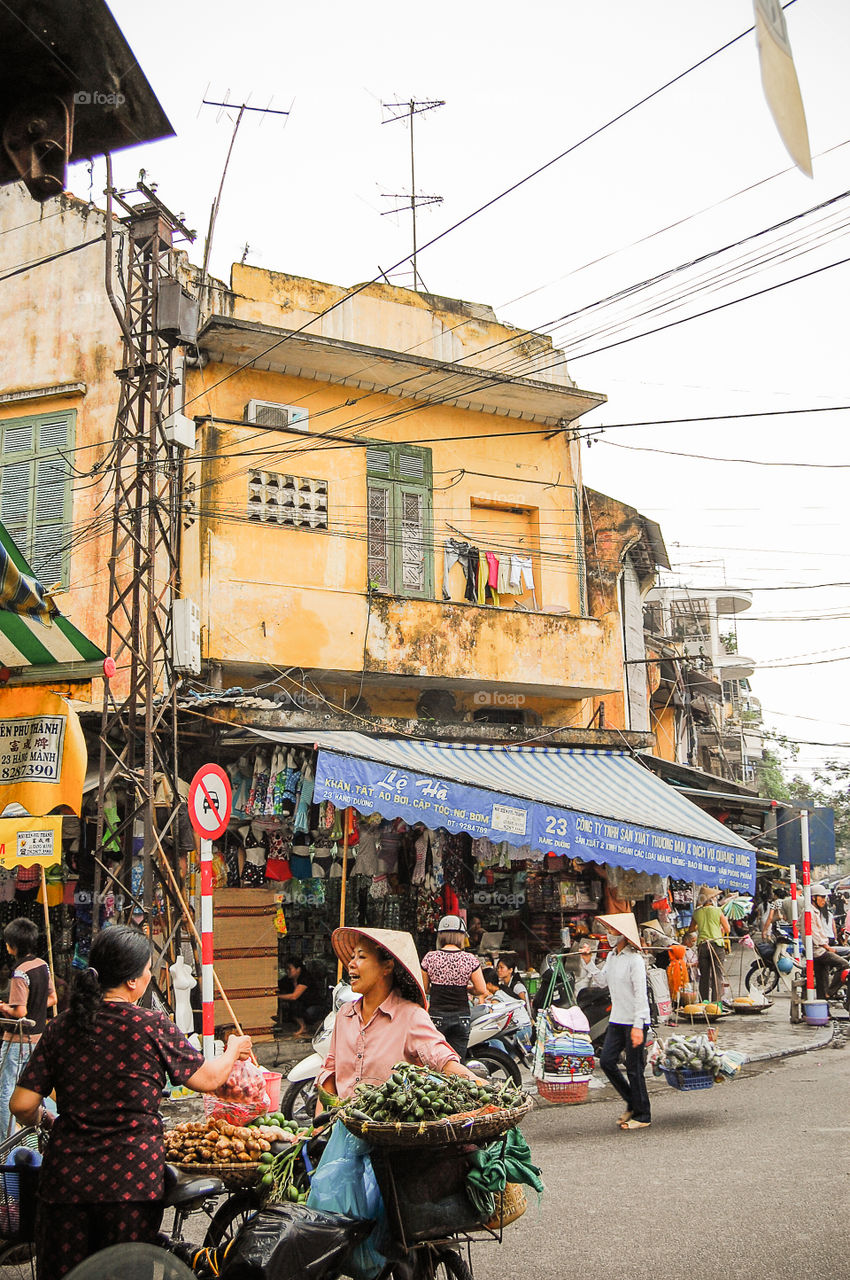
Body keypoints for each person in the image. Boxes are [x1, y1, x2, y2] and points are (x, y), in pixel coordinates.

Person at [10, 924, 253, 1280]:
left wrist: (45, 1116)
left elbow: (20, 1105)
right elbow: (210, 1080)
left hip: (66, 1184)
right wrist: (233, 1049)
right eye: (145, 972)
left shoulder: (62, 1026)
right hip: (130, 1185)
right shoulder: (151, 1024)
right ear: (132, 982)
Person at [318, 926, 483, 1101]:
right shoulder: (345, 1014)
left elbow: (441, 1059)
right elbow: (330, 1071)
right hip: (342, 1125)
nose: (351, 964)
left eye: (362, 956)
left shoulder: (410, 1016)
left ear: (387, 967)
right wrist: (321, 1125)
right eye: (352, 957)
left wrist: (479, 1085)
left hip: (387, 1126)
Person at [581, 913, 652, 1131]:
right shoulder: (612, 956)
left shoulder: (635, 960)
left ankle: (643, 1114)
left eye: (612, 931)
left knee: (634, 1068)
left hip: (635, 1020)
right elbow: (603, 981)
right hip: (617, 1019)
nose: (608, 934)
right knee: (607, 1061)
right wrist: (589, 963)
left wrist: (639, 1026)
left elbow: (641, 995)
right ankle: (632, 1101)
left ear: (623, 935)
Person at [0, 918, 57, 1135]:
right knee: (35, 1089)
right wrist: (36, 1005)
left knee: (6, 1091)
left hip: (18, 1041)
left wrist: (5, 1007)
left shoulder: (19, 972)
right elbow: (52, 998)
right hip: (38, 1038)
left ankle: (5, 1141)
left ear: (12, 946)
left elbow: (20, 1012)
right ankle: (39, 1134)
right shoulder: (42, 965)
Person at [420, 915, 488, 1057]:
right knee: (457, 1061)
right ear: (461, 936)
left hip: (436, 1016)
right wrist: (467, 988)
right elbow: (481, 989)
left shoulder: (430, 958)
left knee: (436, 1061)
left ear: (440, 935)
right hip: (461, 1016)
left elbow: (425, 988)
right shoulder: (469, 959)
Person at [693, 887, 730, 1003]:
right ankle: (716, 1004)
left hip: (703, 945)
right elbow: (727, 928)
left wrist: (701, 925)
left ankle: (704, 1003)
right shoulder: (717, 911)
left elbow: (691, 929)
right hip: (716, 944)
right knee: (717, 975)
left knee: (704, 976)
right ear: (710, 900)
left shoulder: (697, 913)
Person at [810, 885, 845, 1000]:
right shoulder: (810, 912)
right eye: (822, 897)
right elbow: (814, 934)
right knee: (844, 964)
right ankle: (830, 992)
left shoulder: (818, 912)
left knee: (822, 982)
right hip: (819, 950)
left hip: (822, 948)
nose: (824, 901)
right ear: (814, 898)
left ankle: (824, 1010)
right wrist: (827, 947)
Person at [276, 958, 326, 1038]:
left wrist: (276, 996)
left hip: (314, 1005)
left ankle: (305, 1026)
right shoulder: (288, 980)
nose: (287, 971)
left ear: (298, 969)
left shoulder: (305, 979)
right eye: (286, 969)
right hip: (303, 1005)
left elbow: (294, 996)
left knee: (303, 1009)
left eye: (289, 969)